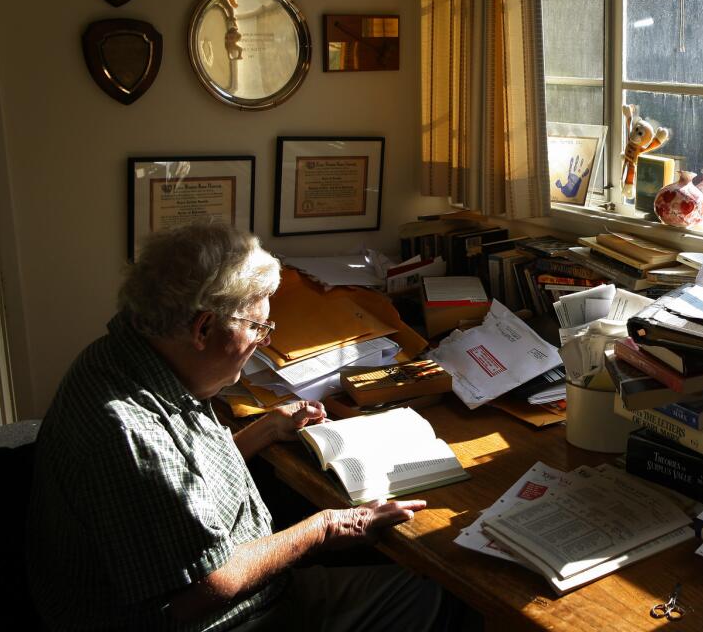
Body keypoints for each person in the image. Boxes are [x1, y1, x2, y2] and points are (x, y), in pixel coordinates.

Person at [27, 224, 473, 631]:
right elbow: (206, 587)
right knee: (443, 596)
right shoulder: (131, 432)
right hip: (216, 618)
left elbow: (174, 489)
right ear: (204, 327)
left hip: (201, 579)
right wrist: (327, 528)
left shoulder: (129, 357)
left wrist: (261, 432)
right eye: (259, 327)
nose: (264, 341)